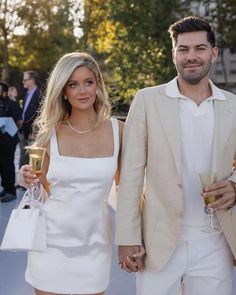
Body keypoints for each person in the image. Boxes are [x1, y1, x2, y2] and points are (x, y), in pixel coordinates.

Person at [115, 16, 236, 295]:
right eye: (183, 49)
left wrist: (234, 186)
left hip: (216, 242)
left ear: (213, 53)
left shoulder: (232, 105)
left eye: (200, 48)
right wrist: (127, 238)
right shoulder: (147, 100)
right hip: (159, 243)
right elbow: (131, 174)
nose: (191, 56)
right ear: (173, 55)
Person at [17, 52, 123, 295]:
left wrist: (134, 239)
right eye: (73, 84)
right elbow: (41, 189)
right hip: (50, 244)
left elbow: (126, 193)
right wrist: (24, 177)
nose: (82, 90)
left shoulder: (119, 131)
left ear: (98, 83)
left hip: (95, 245)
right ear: (63, 90)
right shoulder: (49, 134)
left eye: (88, 82)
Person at [0, 82, 22, 202]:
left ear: (3, 91)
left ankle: (11, 191)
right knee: (2, 166)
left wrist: (10, 128)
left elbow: (19, 122)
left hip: (9, 141)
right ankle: (5, 188)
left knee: (8, 165)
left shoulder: (12, 104)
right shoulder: (1, 103)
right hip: (1, 141)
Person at [19, 70, 41, 167]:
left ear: (32, 80)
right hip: (24, 130)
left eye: (25, 80)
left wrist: (34, 131)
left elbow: (40, 115)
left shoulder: (39, 94)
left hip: (34, 132)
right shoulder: (27, 93)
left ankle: (38, 180)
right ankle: (21, 181)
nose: (23, 82)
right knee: (23, 157)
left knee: (36, 158)